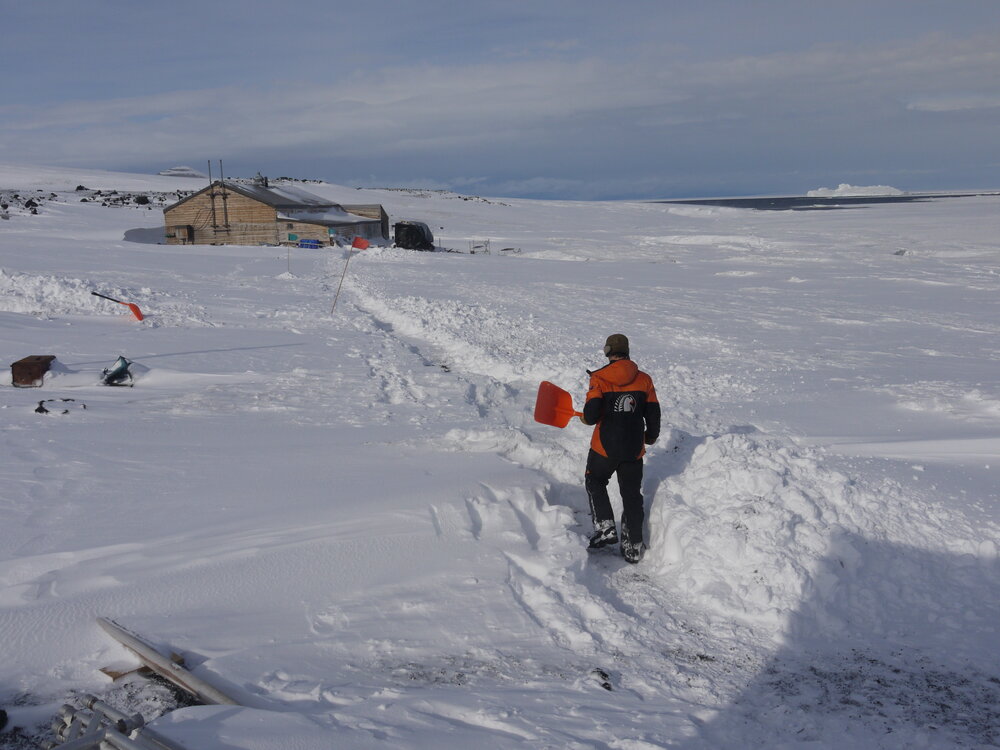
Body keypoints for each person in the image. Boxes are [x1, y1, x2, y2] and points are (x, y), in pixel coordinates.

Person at [579, 334, 660, 563]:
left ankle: (605, 527)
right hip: (634, 449)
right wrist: (651, 436)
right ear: (627, 351)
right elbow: (653, 412)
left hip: (604, 447)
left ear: (607, 351)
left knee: (595, 480)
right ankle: (633, 545)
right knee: (632, 495)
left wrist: (586, 417)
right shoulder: (644, 379)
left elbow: (592, 415)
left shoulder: (600, 378)